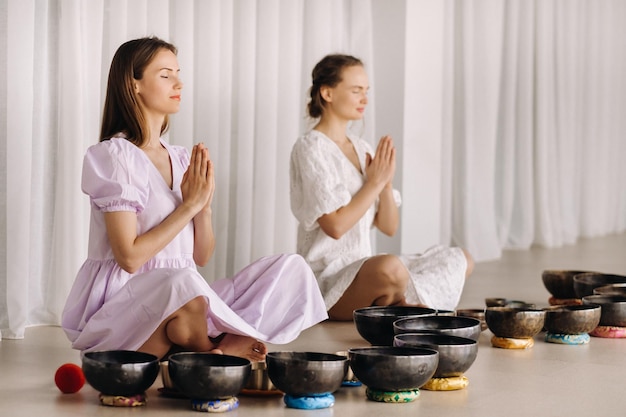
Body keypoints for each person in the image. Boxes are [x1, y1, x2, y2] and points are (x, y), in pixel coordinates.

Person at [61, 37, 328, 361]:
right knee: (182, 284)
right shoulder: (115, 156)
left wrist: (202, 205)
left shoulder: (181, 158)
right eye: (165, 74)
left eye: (178, 72)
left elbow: (201, 255)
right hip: (125, 311)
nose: (179, 82)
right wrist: (187, 206)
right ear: (134, 86)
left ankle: (209, 348)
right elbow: (129, 258)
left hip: (187, 300)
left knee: (291, 268)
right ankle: (218, 356)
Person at [290, 54, 474, 321]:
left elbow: (388, 226)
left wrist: (385, 183)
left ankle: (397, 303)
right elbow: (335, 226)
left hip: (365, 270)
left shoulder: (361, 147)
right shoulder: (309, 148)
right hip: (328, 280)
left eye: (366, 91)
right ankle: (405, 304)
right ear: (327, 93)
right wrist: (373, 183)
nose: (364, 98)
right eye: (356, 91)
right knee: (389, 268)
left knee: (460, 258)